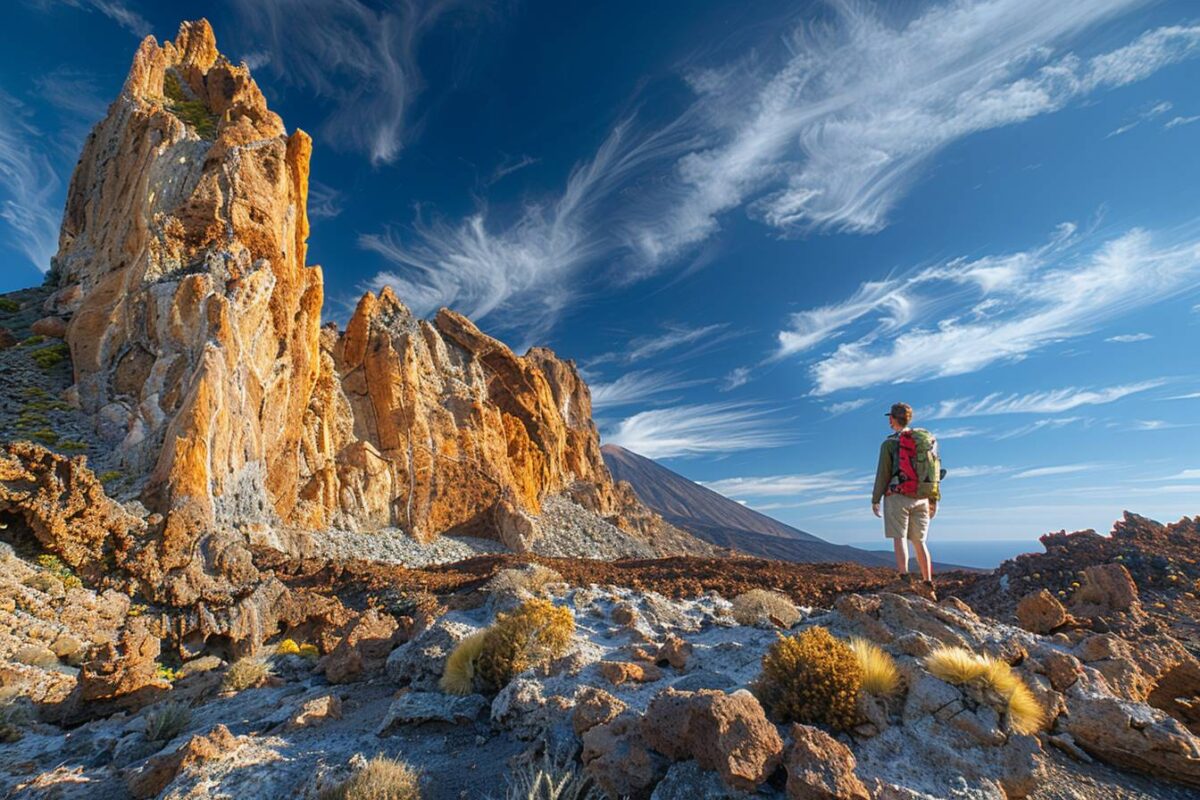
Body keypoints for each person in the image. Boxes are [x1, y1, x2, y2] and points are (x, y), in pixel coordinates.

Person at [871, 402, 937, 589]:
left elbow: (883, 473)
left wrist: (875, 499)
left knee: (899, 538)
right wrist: (933, 499)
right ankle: (928, 582)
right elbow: (933, 473)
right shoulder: (926, 441)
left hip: (897, 495)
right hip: (922, 497)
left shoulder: (890, 443)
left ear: (892, 419)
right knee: (920, 541)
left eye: (890, 418)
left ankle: (904, 578)